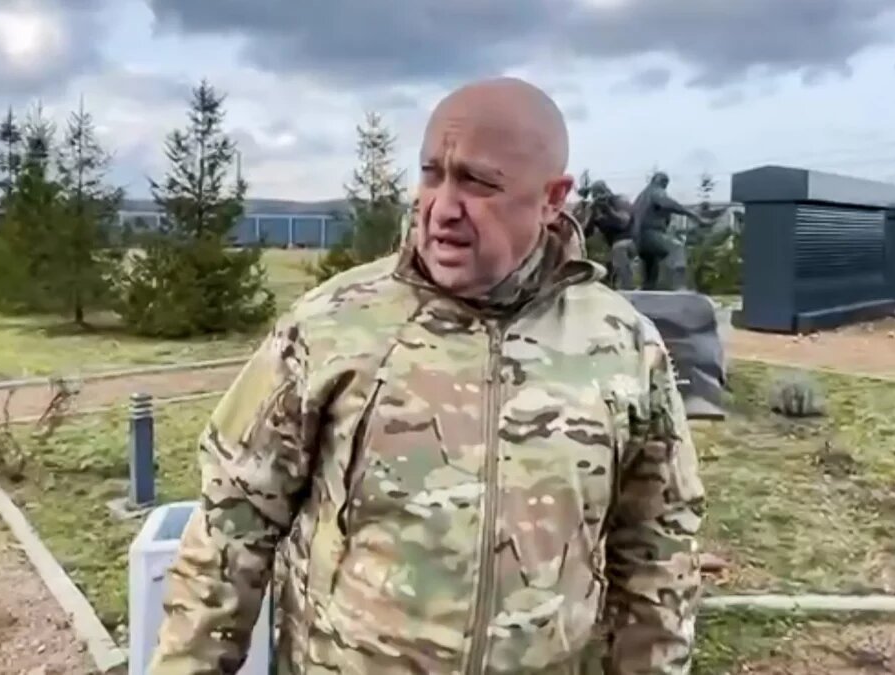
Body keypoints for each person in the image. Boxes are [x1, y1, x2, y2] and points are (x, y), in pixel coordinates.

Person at [150, 77, 706, 674]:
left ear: (553, 199)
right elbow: (232, 523)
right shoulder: (331, 324)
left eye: (478, 182)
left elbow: (658, 546)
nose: (441, 208)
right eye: (431, 174)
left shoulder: (623, 346)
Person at [630, 172, 713, 290]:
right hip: (650, 234)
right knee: (676, 248)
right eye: (665, 183)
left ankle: (648, 286)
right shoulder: (655, 191)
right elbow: (666, 203)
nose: (665, 186)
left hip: (638, 239)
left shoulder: (640, 197)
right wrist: (693, 215)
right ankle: (679, 285)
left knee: (651, 262)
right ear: (660, 182)